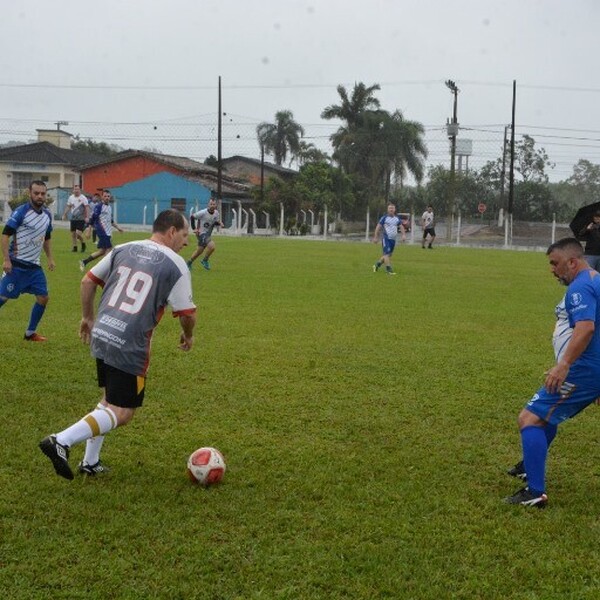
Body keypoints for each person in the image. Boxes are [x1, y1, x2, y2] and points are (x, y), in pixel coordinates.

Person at [39, 209, 196, 479]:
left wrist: (87, 317)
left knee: (109, 400)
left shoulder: (123, 248)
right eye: (184, 235)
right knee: (123, 412)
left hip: (103, 332)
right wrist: (188, 334)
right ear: (171, 231)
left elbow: (88, 280)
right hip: (129, 343)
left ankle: (90, 461)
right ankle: (61, 440)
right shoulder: (176, 264)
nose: (186, 242)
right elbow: (188, 314)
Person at [505, 238, 600, 508]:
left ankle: (535, 492)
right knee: (546, 415)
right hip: (592, 370)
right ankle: (529, 465)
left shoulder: (579, 287)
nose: (553, 270)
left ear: (572, 262)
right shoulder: (596, 280)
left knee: (529, 418)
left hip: (583, 370)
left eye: (555, 263)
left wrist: (564, 364)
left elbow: (586, 328)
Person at [0, 180, 55, 341]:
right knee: (3, 298)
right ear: (29, 193)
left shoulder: (47, 215)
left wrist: (50, 258)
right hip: (16, 265)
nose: (40, 196)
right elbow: (5, 235)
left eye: (43, 193)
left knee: (43, 298)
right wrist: (6, 260)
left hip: (34, 267)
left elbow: (46, 238)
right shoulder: (21, 212)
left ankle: (30, 333)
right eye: (36, 193)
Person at [80, 189, 124, 271]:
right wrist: (89, 230)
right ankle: (105, 270)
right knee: (109, 250)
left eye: (108, 196)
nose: (107, 197)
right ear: (102, 197)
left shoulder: (109, 207)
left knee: (102, 251)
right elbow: (93, 218)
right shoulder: (99, 206)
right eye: (105, 196)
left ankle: (84, 262)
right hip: (102, 231)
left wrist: (118, 228)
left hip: (108, 232)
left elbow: (110, 220)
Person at [187, 198, 224, 271]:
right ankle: (205, 260)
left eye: (213, 204)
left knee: (199, 251)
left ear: (216, 205)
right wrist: (194, 229)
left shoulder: (216, 213)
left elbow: (214, 222)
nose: (212, 205)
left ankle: (189, 262)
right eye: (211, 204)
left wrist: (219, 223)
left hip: (207, 234)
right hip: (201, 233)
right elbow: (192, 217)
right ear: (208, 205)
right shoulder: (203, 212)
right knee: (212, 246)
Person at [372, 203, 406, 275]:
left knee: (388, 255)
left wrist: (403, 235)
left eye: (392, 208)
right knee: (386, 254)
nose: (391, 209)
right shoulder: (384, 218)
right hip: (386, 238)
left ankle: (376, 265)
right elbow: (378, 227)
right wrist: (375, 237)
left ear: (395, 209)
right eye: (390, 208)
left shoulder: (397, 218)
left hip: (393, 240)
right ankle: (389, 271)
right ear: (387, 209)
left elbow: (401, 227)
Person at [62, 184, 89, 253]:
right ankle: (75, 247)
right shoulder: (71, 197)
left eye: (78, 189)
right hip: (73, 218)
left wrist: (87, 217)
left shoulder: (83, 198)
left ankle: (83, 244)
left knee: (78, 234)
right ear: (73, 190)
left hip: (81, 218)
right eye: (75, 189)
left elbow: (87, 207)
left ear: (80, 190)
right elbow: (68, 206)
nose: (76, 191)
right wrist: (64, 214)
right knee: (73, 234)